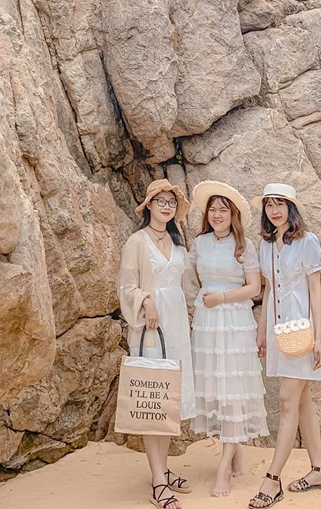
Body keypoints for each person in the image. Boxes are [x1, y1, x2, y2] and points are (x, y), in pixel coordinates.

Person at [249, 184, 321, 509]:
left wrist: (317, 337)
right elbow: (269, 290)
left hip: (302, 329)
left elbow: (315, 291)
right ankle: (319, 470)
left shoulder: (307, 242)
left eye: (280, 204)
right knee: (302, 401)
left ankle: (272, 480)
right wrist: (261, 331)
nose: (274, 210)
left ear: (290, 208)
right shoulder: (266, 244)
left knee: (286, 401)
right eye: (269, 205)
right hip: (277, 329)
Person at [118, 179, 198, 509]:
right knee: (153, 400)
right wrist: (146, 301)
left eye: (171, 202)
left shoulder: (179, 246)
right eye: (160, 201)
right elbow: (125, 286)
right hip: (150, 330)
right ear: (148, 205)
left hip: (176, 329)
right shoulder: (137, 242)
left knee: (168, 403)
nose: (166, 206)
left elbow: (189, 289)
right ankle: (158, 482)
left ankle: (163, 470)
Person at [190, 180, 268, 498]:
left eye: (223, 209)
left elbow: (254, 288)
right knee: (216, 388)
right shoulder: (200, 243)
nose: (217, 214)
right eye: (213, 209)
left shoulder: (244, 246)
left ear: (233, 214)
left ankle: (224, 467)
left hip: (234, 322)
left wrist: (221, 298)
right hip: (207, 324)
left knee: (232, 389)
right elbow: (194, 280)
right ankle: (235, 450)